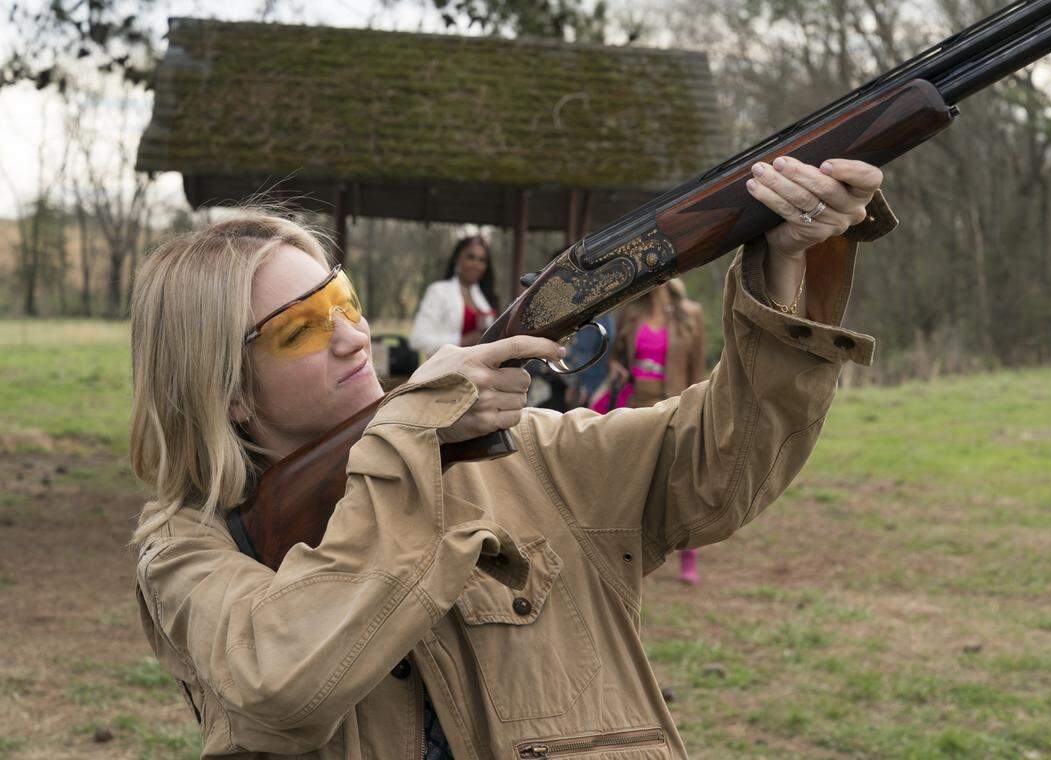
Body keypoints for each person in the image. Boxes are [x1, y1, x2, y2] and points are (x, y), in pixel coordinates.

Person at [130, 155, 893, 760]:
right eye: (302, 328)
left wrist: (785, 269)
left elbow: (718, 474)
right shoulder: (188, 552)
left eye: (346, 302)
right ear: (225, 389)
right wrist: (412, 437)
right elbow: (284, 684)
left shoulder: (522, 452)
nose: (354, 337)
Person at [591, 278, 707, 583]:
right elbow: (616, 355)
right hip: (633, 403)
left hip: (671, 403)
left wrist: (695, 408)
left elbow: (696, 370)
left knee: (679, 479)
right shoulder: (631, 311)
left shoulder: (689, 313)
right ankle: (622, 551)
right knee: (627, 478)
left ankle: (689, 555)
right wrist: (615, 366)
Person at [409, 235, 499, 357]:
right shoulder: (438, 291)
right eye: (471, 257)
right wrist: (462, 341)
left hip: (480, 372)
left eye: (482, 260)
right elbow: (418, 340)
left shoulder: (486, 299)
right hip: (445, 371)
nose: (476, 264)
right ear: (458, 259)